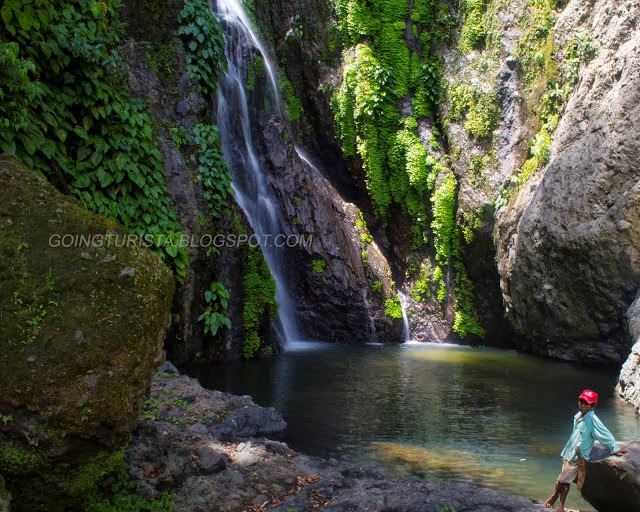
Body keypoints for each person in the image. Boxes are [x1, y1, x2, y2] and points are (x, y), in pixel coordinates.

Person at [544, 389, 629, 511]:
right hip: (569, 452)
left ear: (593, 405)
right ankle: (555, 499)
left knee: (564, 480)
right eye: (581, 402)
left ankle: (559, 505)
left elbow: (605, 434)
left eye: (586, 403)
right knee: (563, 479)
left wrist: (614, 448)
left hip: (577, 457)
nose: (582, 405)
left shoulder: (593, 419)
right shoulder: (578, 415)